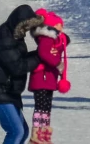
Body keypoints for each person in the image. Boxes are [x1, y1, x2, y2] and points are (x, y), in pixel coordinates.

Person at [0, 5, 44, 144]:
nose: (28, 30)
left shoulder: (13, 35)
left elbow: (19, 58)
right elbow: (18, 67)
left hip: (6, 90)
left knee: (22, 132)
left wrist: (40, 54)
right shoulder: (5, 40)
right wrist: (40, 56)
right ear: (19, 24)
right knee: (16, 132)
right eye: (26, 26)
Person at [28, 10, 70, 144]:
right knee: (41, 107)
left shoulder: (54, 39)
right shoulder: (46, 38)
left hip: (49, 77)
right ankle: (36, 134)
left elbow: (58, 48)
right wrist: (57, 63)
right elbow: (44, 53)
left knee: (46, 107)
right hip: (42, 77)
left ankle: (44, 134)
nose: (61, 27)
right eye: (58, 25)